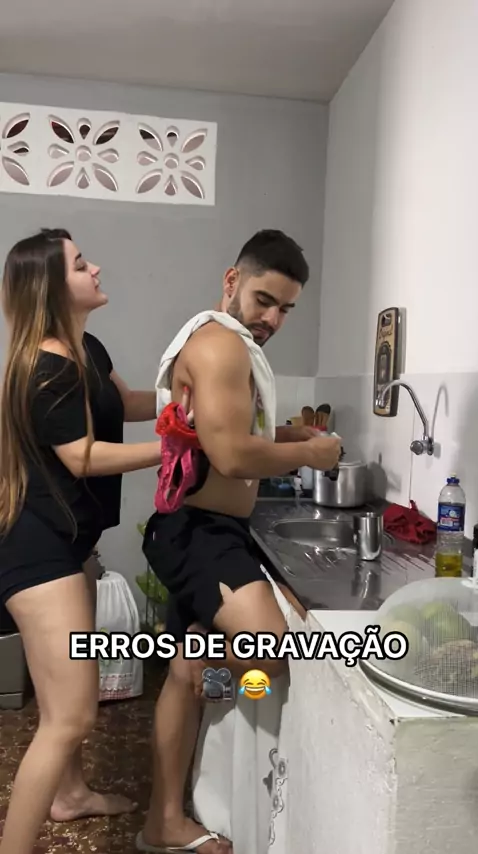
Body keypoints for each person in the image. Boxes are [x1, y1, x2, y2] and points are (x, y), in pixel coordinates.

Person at [139, 230, 342, 854]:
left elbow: (222, 428)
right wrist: (311, 453)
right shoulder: (221, 345)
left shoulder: (228, 343)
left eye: (286, 308)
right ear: (232, 281)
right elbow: (229, 454)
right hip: (197, 530)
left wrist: (286, 433)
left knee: (186, 679)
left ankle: (163, 821)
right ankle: (201, 673)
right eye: (264, 300)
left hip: (205, 528)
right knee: (269, 652)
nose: (273, 318)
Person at [0, 228, 193, 854]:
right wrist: (175, 449)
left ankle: (70, 795)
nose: (96, 268)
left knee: (61, 694)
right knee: (72, 714)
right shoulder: (48, 367)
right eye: (81, 264)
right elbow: (82, 456)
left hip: (71, 541)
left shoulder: (86, 348)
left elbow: (125, 401)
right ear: (52, 288)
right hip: (37, 549)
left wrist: (185, 403)